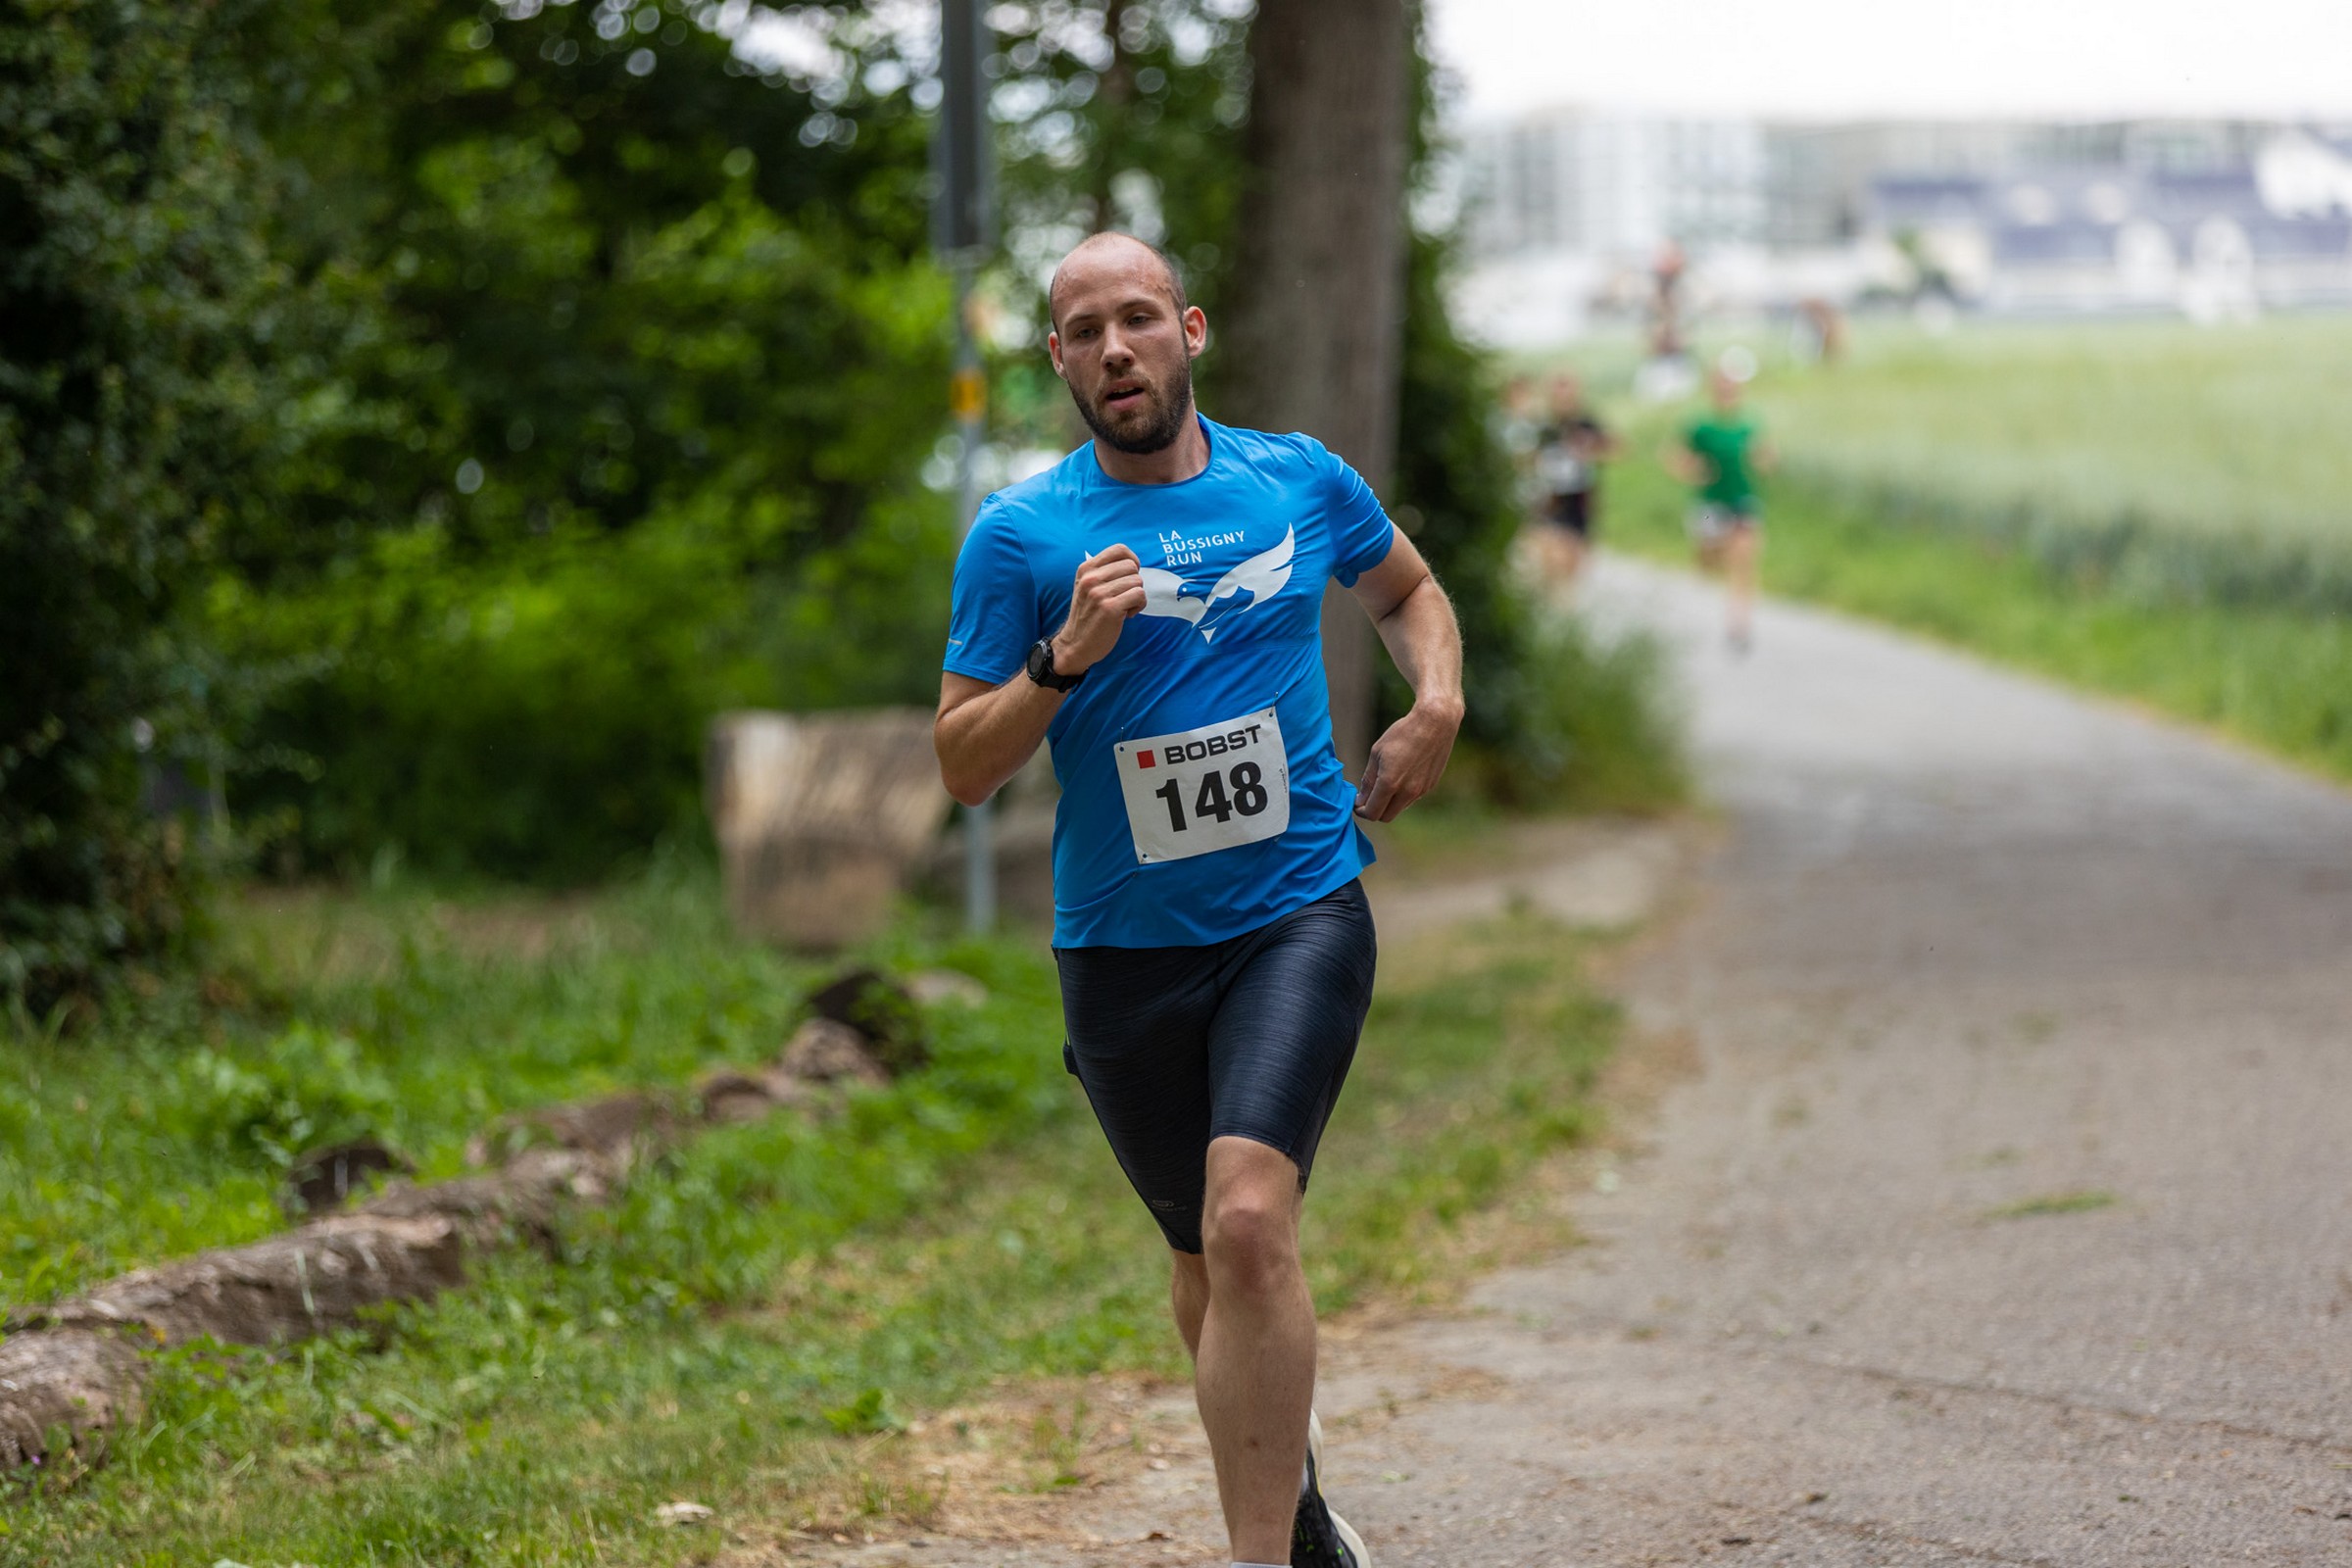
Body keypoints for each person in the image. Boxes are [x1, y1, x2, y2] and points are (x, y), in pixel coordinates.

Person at [934, 232, 1464, 1568]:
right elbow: (963, 769)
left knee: (1248, 1220)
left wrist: (1438, 701)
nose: (1116, 349)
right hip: (1123, 949)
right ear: (1058, 361)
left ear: (1191, 330)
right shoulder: (1021, 535)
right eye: (1085, 332)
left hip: (1298, 911)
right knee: (1202, 1254)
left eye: (1139, 318)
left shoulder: (1297, 478)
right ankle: (1294, 1505)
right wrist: (1060, 660)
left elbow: (1407, 590)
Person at [1664, 358, 1775, 652]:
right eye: (1722, 384)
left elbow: (1765, 454)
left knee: (1744, 559)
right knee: (1710, 555)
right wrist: (1693, 471)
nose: (1727, 389)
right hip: (1709, 505)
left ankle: (1739, 624)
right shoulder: (1701, 426)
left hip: (1742, 499)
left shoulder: (1749, 423)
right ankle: (1703, 568)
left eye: (1731, 384)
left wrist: (1765, 461)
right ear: (1713, 388)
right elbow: (1675, 457)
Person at [1528, 371, 1618, 584]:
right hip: (1549, 496)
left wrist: (1591, 450)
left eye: (1567, 387)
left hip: (1578, 496)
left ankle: (1565, 595)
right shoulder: (1542, 425)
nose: (1563, 393)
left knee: (1575, 558)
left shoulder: (1586, 422)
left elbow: (1614, 447)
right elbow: (1526, 457)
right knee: (1551, 552)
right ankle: (1552, 592)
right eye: (1559, 387)